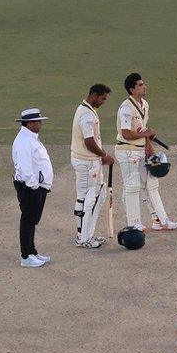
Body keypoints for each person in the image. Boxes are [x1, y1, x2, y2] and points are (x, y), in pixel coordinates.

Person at [115, 73, 177, 232]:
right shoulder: (126, 108)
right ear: (132, 89)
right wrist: (146, 134)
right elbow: (126, 133)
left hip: (140, 150)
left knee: (151, 184)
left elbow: (143, 130)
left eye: (144, 84)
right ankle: (134, 223)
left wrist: (149, 145)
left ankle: (160, 220)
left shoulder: (144, 104)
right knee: (132, 187)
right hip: (126, 151)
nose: (144, 86)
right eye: (140, 85)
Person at [71, 84, 116, 248]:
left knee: (85, 198)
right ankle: (84, 238)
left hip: (86, 160)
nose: (104, 102)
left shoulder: (85, 109)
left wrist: (100, 156)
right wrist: (104, 155)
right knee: (89, 199)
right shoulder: (87, 115)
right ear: (94, 95)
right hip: (87, 162)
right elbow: (90, 142)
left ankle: (85, 235)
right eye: (103, 98)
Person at [12, 108, 53, 267]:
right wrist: (34, 186)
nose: (41, 124)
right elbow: (24, 167)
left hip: (37, 186)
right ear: (29, 123)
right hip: (30, 188)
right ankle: (26, 256)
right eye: (38, 121)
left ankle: (32, 252)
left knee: (32, 220)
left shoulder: (30, 137)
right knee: (28, 220)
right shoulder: (23, 141)